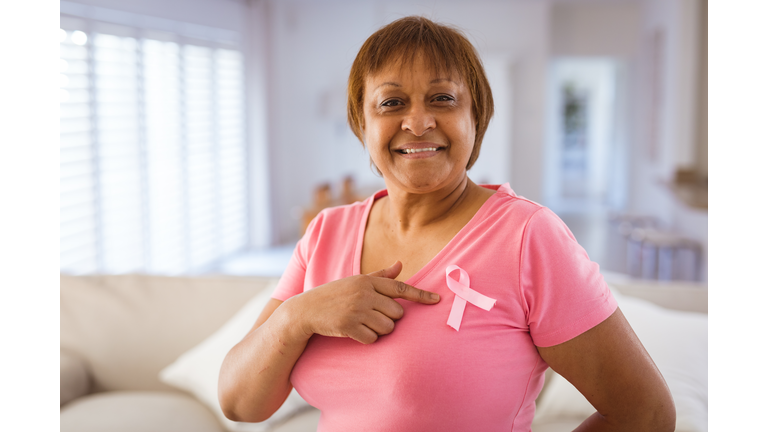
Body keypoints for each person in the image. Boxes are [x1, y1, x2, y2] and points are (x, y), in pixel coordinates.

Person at [219, 16, 675, 432]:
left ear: (476, 117)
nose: (418, 123)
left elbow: (646, 415)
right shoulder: (325, 233)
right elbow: (240, 403)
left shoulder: (528, 236)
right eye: (391, 102)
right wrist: (297, 317)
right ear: (362, 124)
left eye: (443, 98)